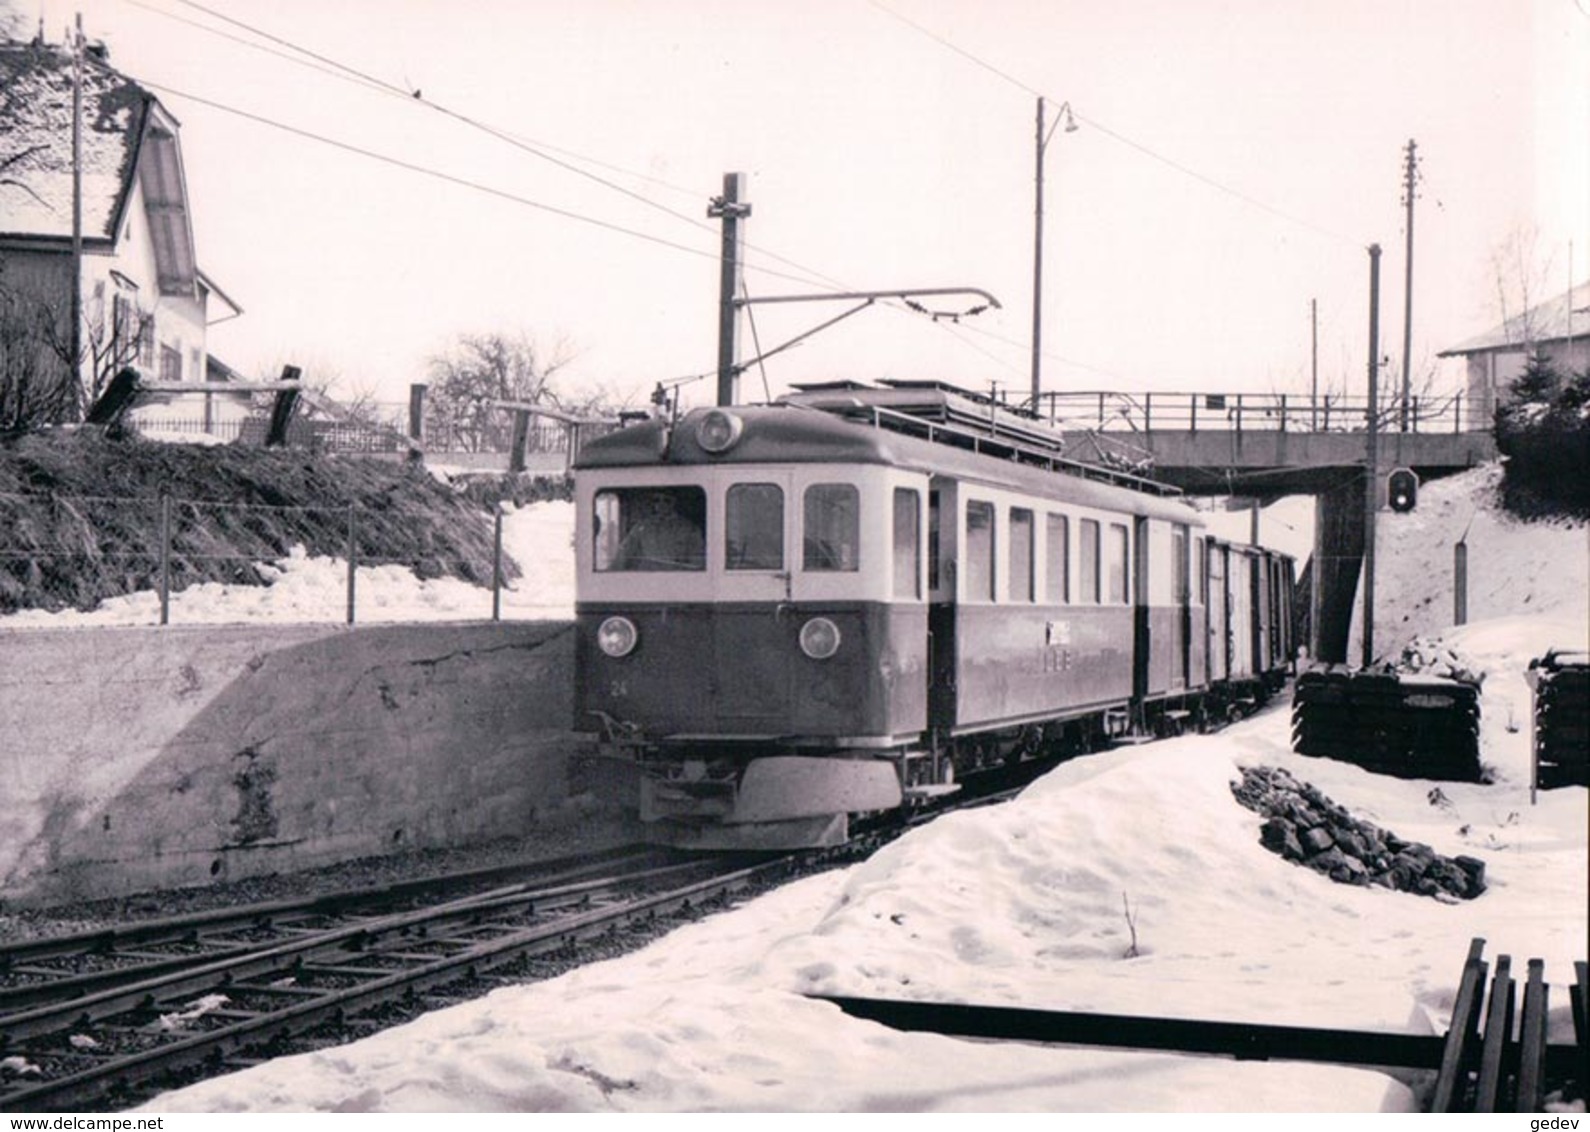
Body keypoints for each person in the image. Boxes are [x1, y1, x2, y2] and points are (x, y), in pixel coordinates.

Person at [614, 491, 703, 570]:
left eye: (666, 500)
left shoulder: (688, 528)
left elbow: (698, 560)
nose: (661, 504)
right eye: (657, 500)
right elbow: (624, 552)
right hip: (648, 581)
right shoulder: (642, 527)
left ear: (674, 502)